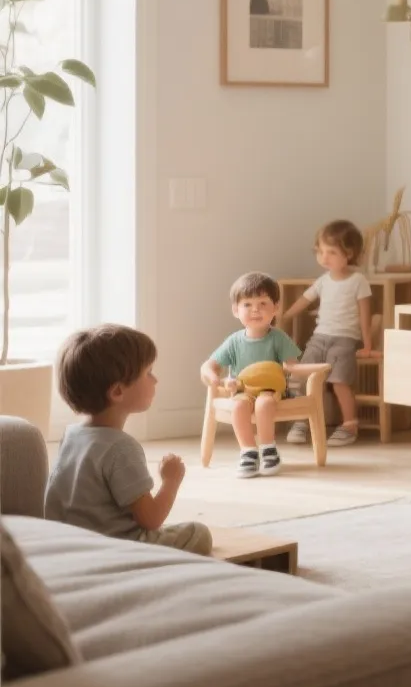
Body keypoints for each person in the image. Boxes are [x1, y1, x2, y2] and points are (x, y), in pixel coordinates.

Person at [45, 324, 213, 553]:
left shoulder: (71, 436)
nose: (156, 380)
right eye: (148, 373)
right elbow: (151, 519)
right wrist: (171, 480)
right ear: (117, 392)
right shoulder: (121, 448)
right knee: (198, 533)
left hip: (70, 542)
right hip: (116, 547)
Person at [201, 272, 323, 477]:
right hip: (242, 390)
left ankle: (268, 448)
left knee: (264, 403)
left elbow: (291, 367)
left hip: (271, 389)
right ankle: (248, 451)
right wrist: (217, 379)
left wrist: (319, 368)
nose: (255, 309)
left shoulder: (277, 338)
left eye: (263, 303)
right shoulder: (234, 341)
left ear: (275, 308)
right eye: (247, 304)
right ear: (235, 310)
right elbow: (208, 365)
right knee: (239, 405)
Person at [279, 220, 375, 446]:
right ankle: (302, 421)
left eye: (331, 252)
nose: (324, 257)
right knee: (303, 374)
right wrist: (282, 317)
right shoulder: (323, 281)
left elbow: (365, 314)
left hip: (345, 340)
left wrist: (367, 344)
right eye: (320, 251)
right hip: (319, 338)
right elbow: (304, 301)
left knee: (339, 381)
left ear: (349, 253)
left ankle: (349, 425)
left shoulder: (358, 281)